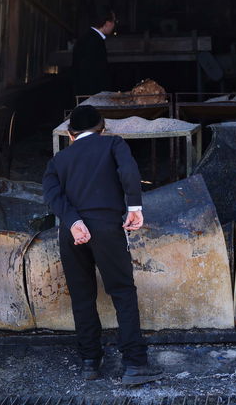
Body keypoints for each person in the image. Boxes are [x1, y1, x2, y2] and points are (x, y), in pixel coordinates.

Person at [42, 105, 162, 385]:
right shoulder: (113, 144)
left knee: (82, 296)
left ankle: (89, 362)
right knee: (122, 291)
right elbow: (129, 171)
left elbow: (51, 194)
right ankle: (134, 364)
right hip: (107, 227)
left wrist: (73, 222)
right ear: (102, 128)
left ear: (70, 135)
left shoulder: (59, 160)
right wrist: (134, 206)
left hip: (72, 233)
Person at [71, 8, 116, 98]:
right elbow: (98, 72)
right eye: (114, 21)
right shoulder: (95, 41)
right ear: (108, 23)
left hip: (83, 93)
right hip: (92, 95)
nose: (114, 25)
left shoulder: (86, 37)